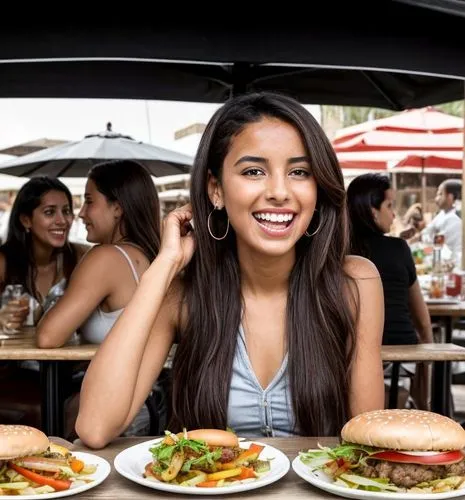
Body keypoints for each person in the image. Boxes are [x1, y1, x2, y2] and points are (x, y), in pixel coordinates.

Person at [76, 91, 384, 448]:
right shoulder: (182, 294)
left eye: (299, 172)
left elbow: (367, 441)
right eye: (254, 171)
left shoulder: (355, 283)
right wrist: (164, 265)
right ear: (215, 190)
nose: (280, 192)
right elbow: (95, 427)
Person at [37, 159, 161, 347]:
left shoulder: (107, 258)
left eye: (89, 201)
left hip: (108, 377)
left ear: (117, 208)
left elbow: (47, 337)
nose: (81, 213)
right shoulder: (151, 255)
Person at [0, 176, 88, 427]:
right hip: (14, 373)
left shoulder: (81, 257)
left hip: (70, 371)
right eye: (50, 212)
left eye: (66, 211)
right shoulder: (5, 261)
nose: (62, 220)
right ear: (26, 220)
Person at [347, 173, 433, 408]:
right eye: (389, 205)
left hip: (348, 362)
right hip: (401, 360)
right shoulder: (399, 248)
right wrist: (428, 358)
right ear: (372, 211)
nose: (394, 214)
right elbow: (422, 320)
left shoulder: (338, 250)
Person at [420, 179, 462, 258]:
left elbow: (438, 245)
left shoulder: (454, 218)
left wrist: (421, 252)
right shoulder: (443, 213)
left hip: (454, 262)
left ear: (450, 197)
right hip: (440, 256)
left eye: (440, 194)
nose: (436, 198)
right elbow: (426, 232)